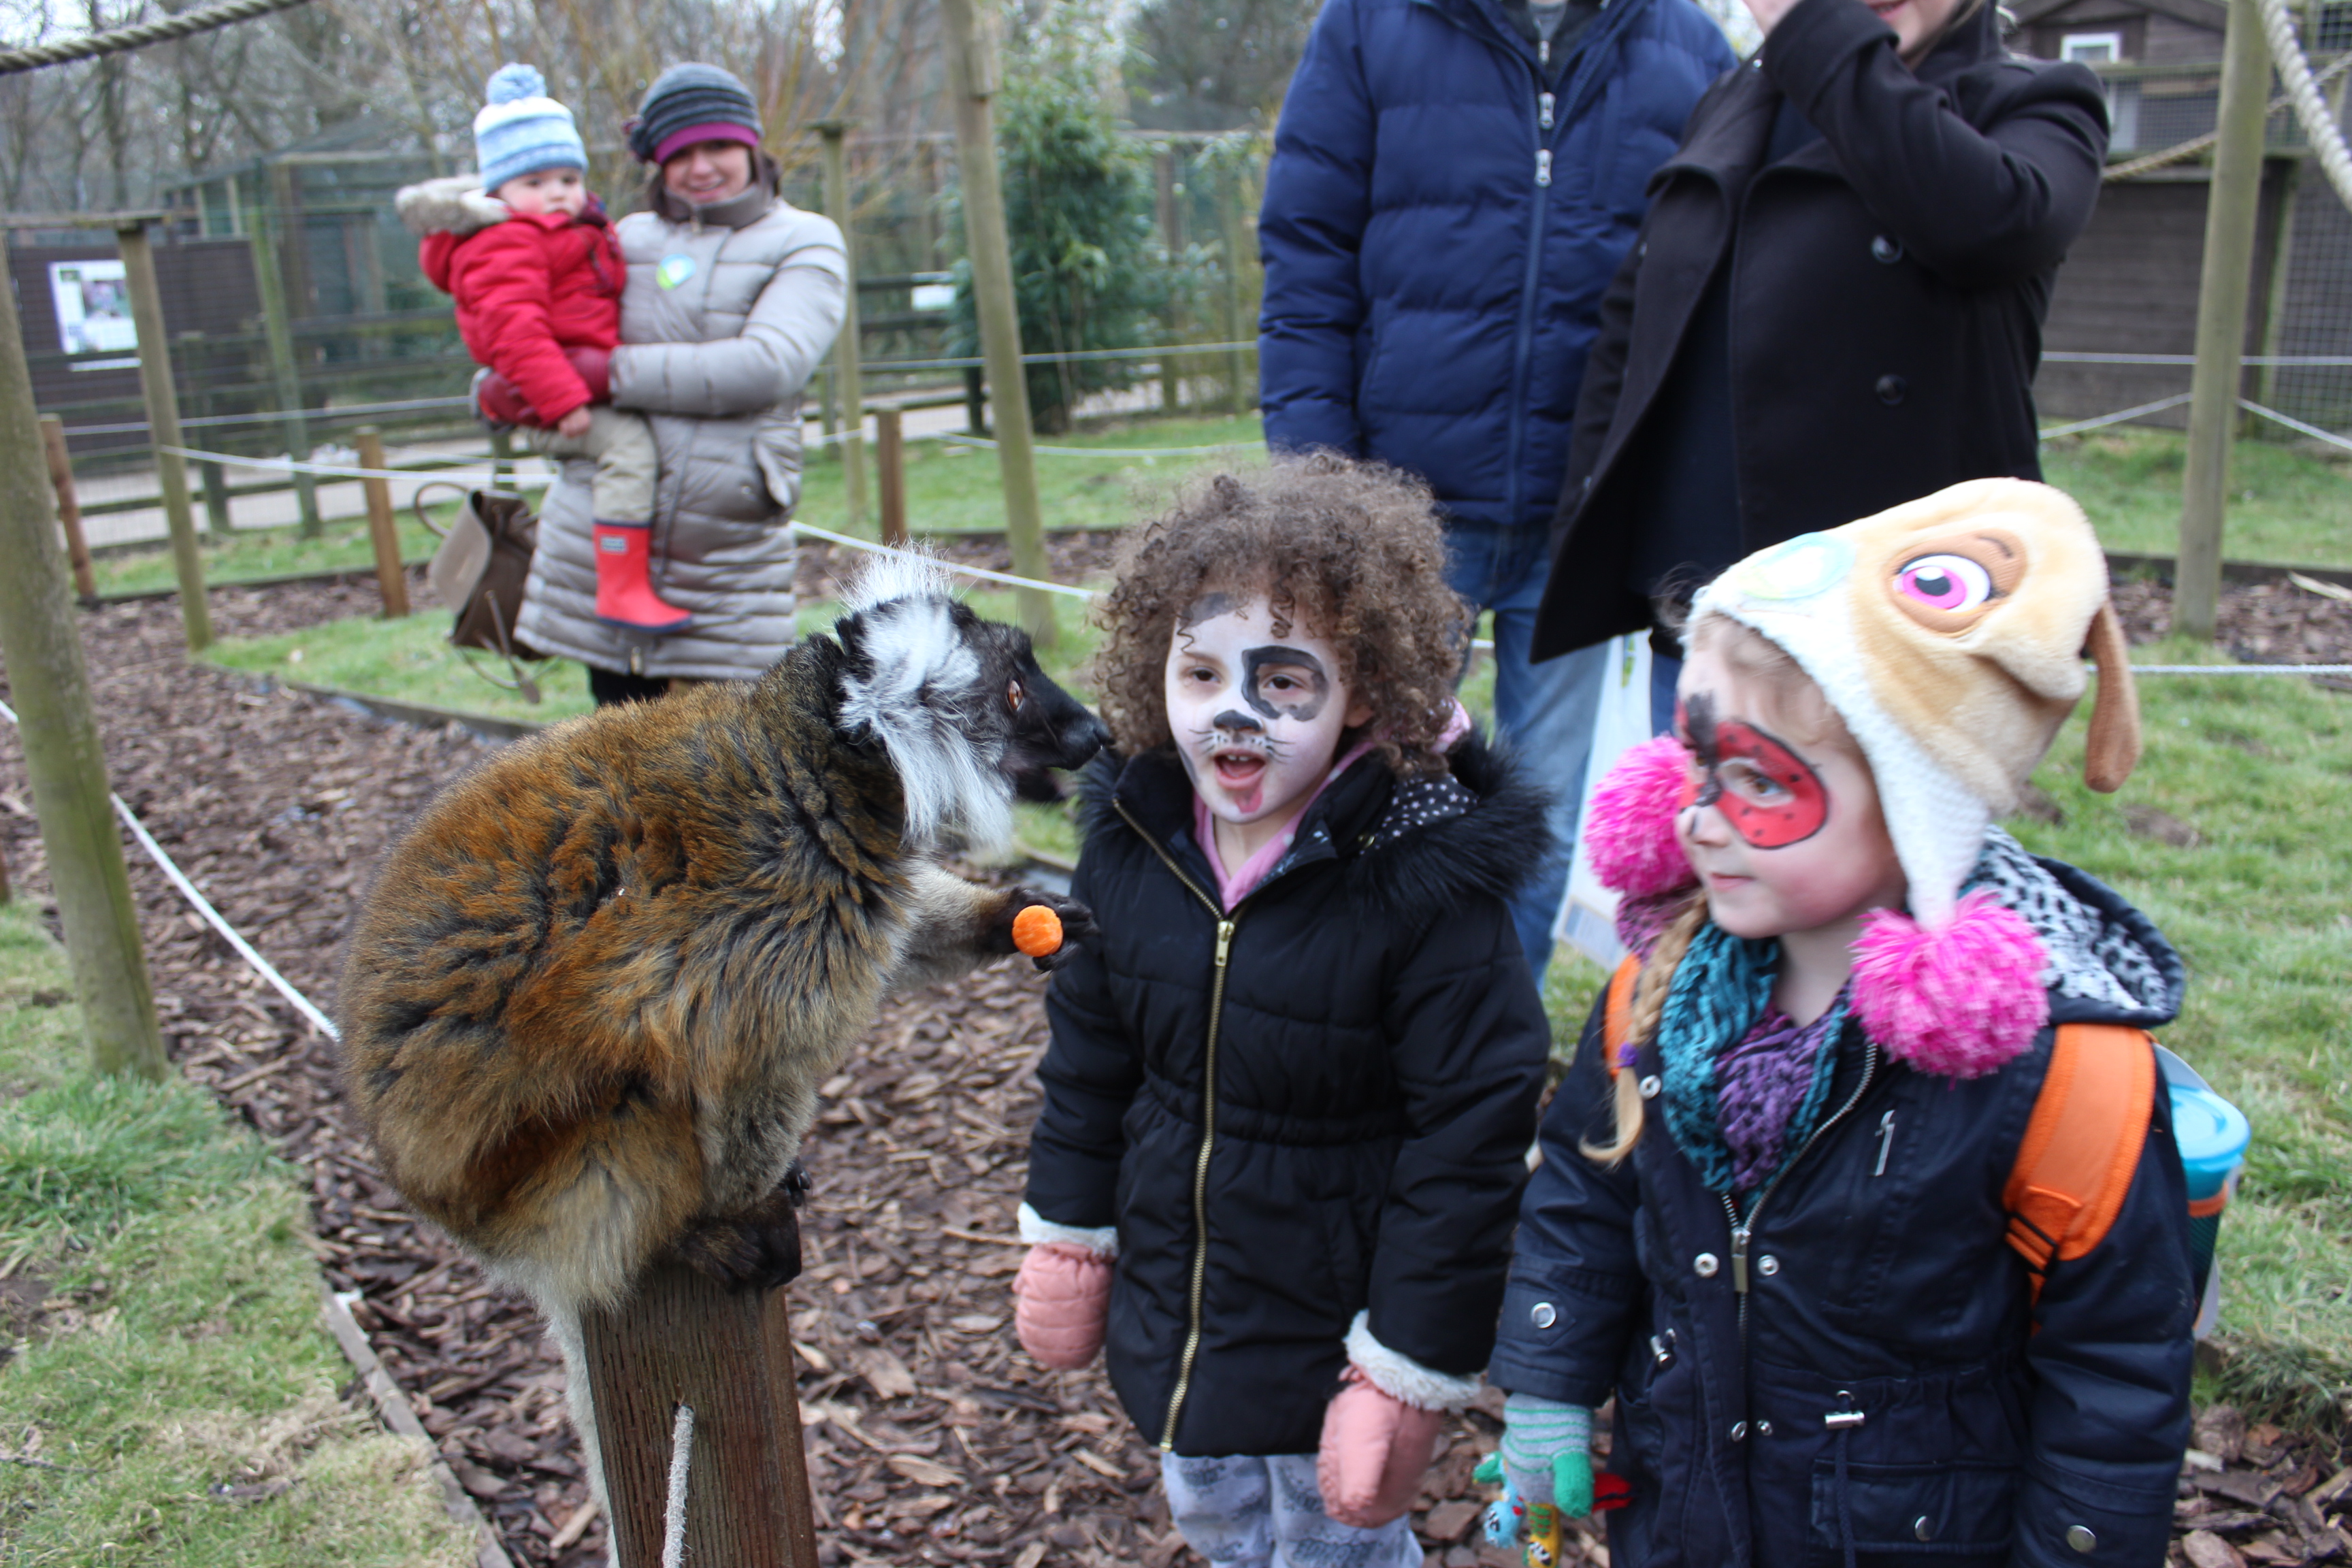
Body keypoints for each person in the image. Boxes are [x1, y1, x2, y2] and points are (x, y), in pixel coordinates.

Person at [1483, 480, 2195, 1565]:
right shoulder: (1660, 985)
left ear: (1916, 807)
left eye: (1759, 784)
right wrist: (1546, 1381)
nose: (1697, 818)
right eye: (1695, 762)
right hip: (1682, 1523)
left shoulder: (2058, 1072)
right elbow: (1587, 1191)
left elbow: (2115, 1373)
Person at [1011, 456, 1552, 1568]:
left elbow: (1471, 1134)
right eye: (1199, 671)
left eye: (1284, 680)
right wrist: (1070, 1232)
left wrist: (1403, 1360)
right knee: (1210, 1508)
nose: (1234, 714)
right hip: (1180, 1309)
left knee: (1331, 1542)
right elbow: (1088, 1058)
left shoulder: (1422, 885)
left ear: (1362, 690)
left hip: (1333, 1329)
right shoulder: (1136, 841)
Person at [1257, 0, 1737, 966]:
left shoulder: (1690, 48)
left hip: (1581, 520)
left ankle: (1488, 1056)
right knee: (1351, 788)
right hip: (1396, 519)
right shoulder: (1368, 25)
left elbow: (1715, 281)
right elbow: (1308, 254)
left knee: (1537, 814)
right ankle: (1347, 1040)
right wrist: (1322, 490)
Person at [1531, 0, 2111, 728]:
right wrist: (1586, 525)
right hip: (1709, 623)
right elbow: (1638, 323)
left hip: (1901, 642)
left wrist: (1815, 31)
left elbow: (1988, 223)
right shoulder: (1733, 101)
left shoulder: (2037, 99)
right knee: (1701, 840)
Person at [515, 63, 847, 706]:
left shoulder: (804, 240)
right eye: (680, 153)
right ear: (657, 162)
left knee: (720, 770)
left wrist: (608, 374)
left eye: (717, 146)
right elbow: (539, 321)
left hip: (724, 555)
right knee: (618, 753)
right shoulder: (622, 239)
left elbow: (767, 364)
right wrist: (512, 382)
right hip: (604, 539)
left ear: (751, 146)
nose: (702, 167)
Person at [402, 63, 691, 636]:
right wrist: (560, 401)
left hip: (566, 383)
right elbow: (516, 331)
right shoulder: (506, 243)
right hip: (546, 395)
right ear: (498, 192)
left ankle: (621, 576)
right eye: (534, 183)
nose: (556, 192)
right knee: (629, 450)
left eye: (565, 177)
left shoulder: (568, 231)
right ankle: (621, 587)